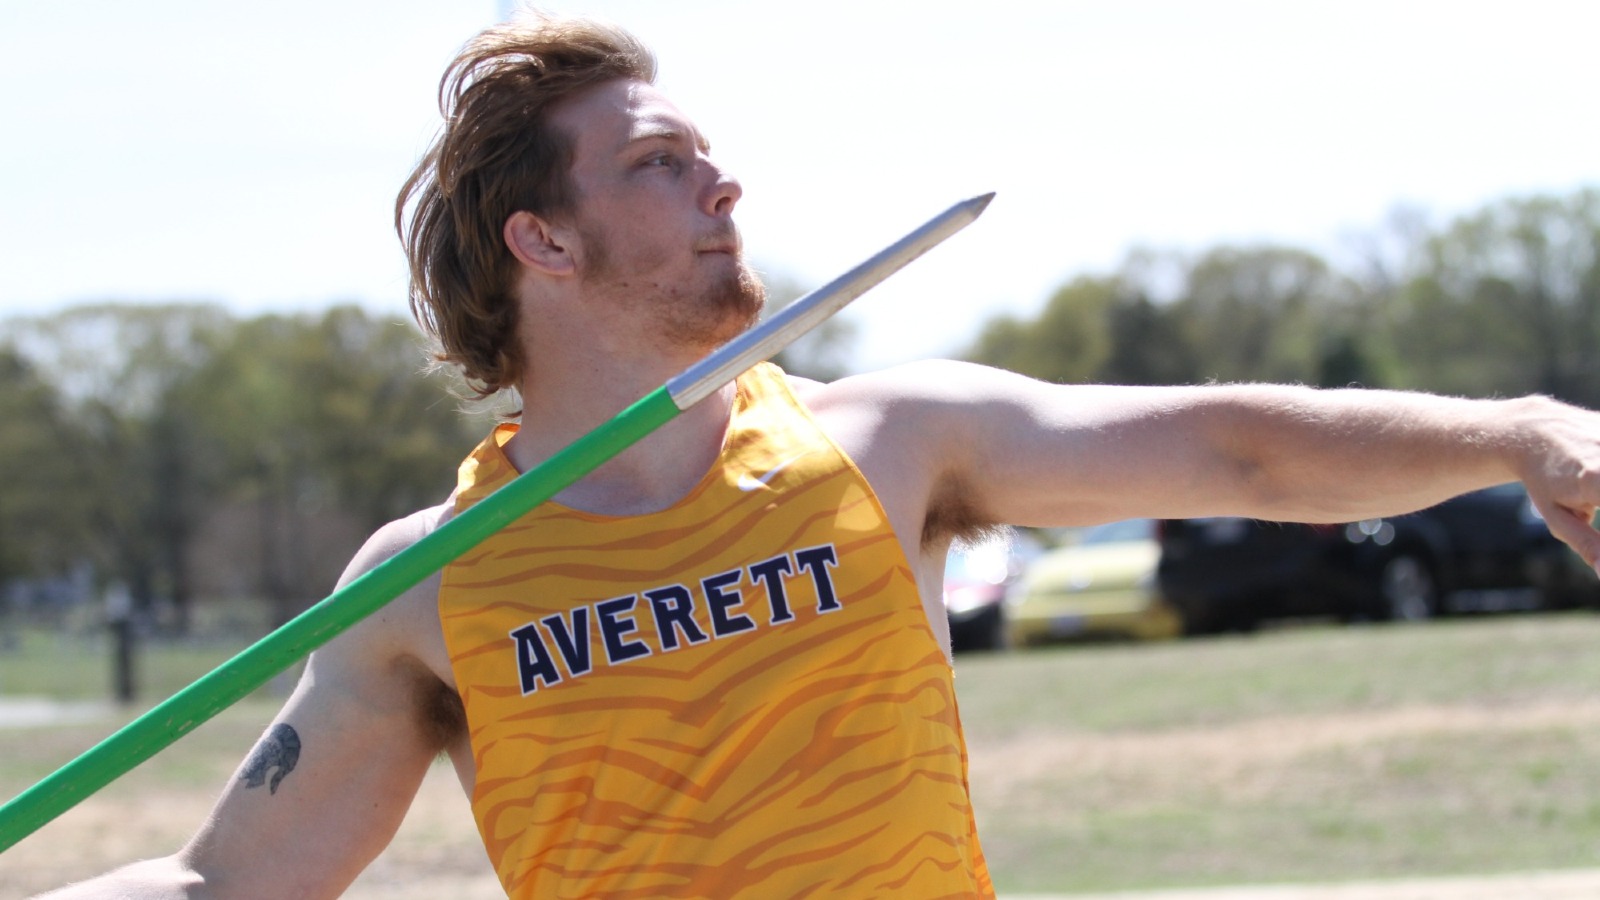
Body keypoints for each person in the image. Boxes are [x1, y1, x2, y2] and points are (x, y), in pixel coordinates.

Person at [39, 11, 1600, 900]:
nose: (726, 186)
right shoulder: (424, 582)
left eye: (712, 156)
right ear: (544, 241)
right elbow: (219, 889)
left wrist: (1522, 436)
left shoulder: (895, 442)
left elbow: (1242, 452)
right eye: (661, 165)